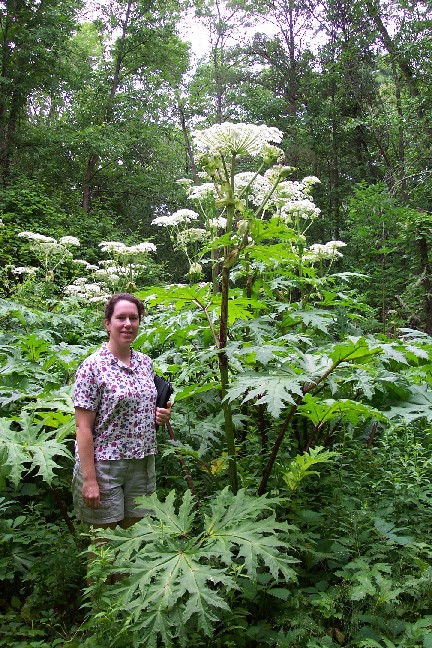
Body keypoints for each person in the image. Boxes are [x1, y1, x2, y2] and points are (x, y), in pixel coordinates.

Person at [72, 292, 171, 530]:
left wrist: (161, 415)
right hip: (104, 466)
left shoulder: (145, 363)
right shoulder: (92, 367)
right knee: (105, 546)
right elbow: (82, 427)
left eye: (133, 318)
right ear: (108, 323)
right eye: (121, 318)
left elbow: (144, 408)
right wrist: (89, 480)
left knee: (133, 542)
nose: (128, 324)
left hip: (142, 463)